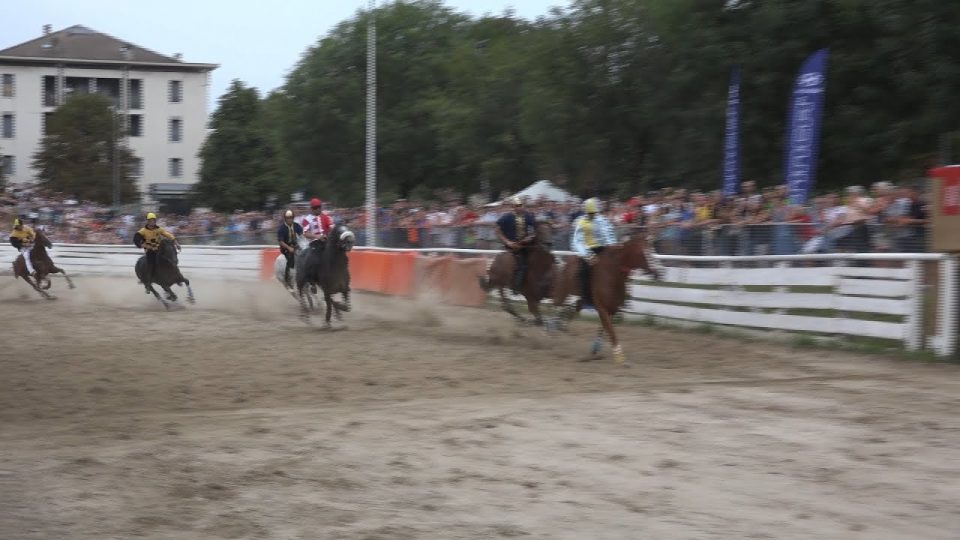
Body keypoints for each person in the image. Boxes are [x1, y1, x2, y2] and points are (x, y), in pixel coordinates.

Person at [571, 197, 616, 308]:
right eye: (590, 213)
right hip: (587, 250)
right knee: (583, 271)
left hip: (602, 249)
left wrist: (613, 244)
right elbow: (577, 241)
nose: (593, 215)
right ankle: (586, 299)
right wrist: (589, 256)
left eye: (594, 213)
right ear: (586, 211)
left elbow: (609, 233)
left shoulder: (602, 220)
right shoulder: (580, 222)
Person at [495, 196, 538, 293]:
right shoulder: (506, 217)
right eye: (517, 206)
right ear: (513, 207)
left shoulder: (528, 216)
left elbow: (535, 230)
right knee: (521, 265)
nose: (520, 207)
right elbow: (497, 230)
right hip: (512, 246)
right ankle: (516, 287)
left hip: (526, 245)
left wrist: (531, 236)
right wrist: (507, 242)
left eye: (521, 205)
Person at [133, 212, 180, 294]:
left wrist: (175, 241)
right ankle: (148, 283)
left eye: (153, 220)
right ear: (148, 221)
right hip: (150, 252)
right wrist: (143, 245)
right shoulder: (143, 231)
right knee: (151, 265)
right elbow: (136, 239)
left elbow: (167, 234)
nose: (152, 222)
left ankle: (176, 277)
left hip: (159, 250)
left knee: (170, 259)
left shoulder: (159, 229)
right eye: (150, 220)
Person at [277, 209, 303, 288]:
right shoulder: (281, 228)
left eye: (291, 217)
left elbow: (301, 236)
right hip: (286, 248)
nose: (290, 219)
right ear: (285, 219)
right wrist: (289, 248)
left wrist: (302, 244)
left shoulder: (297, 226)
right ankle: (288, 279)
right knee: (290, 258)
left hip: (297, 246)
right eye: (288, 218)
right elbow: (281, 241)